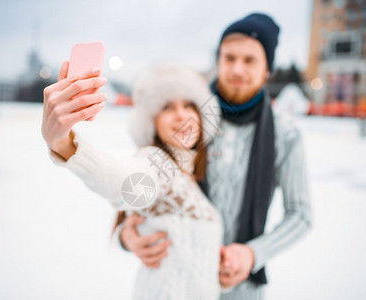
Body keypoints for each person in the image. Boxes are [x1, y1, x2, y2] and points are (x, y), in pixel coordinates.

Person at [120, 13, 312, 299]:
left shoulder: (285, 135)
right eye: (229, 57)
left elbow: (301, 215)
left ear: (266, 69)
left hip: (241, 289)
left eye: (249, 60)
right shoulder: (188, 116)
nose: (236, 68)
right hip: (176, 279)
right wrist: (128, 235)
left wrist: (251, 254)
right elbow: (141, 182)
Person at [42, 62, 224, 299]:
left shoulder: (190, 176)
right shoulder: (158, 163)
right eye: (168, 106)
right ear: (152, 122)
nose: (181, 115)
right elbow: (125, 183)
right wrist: (63, 144)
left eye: (189, 105)